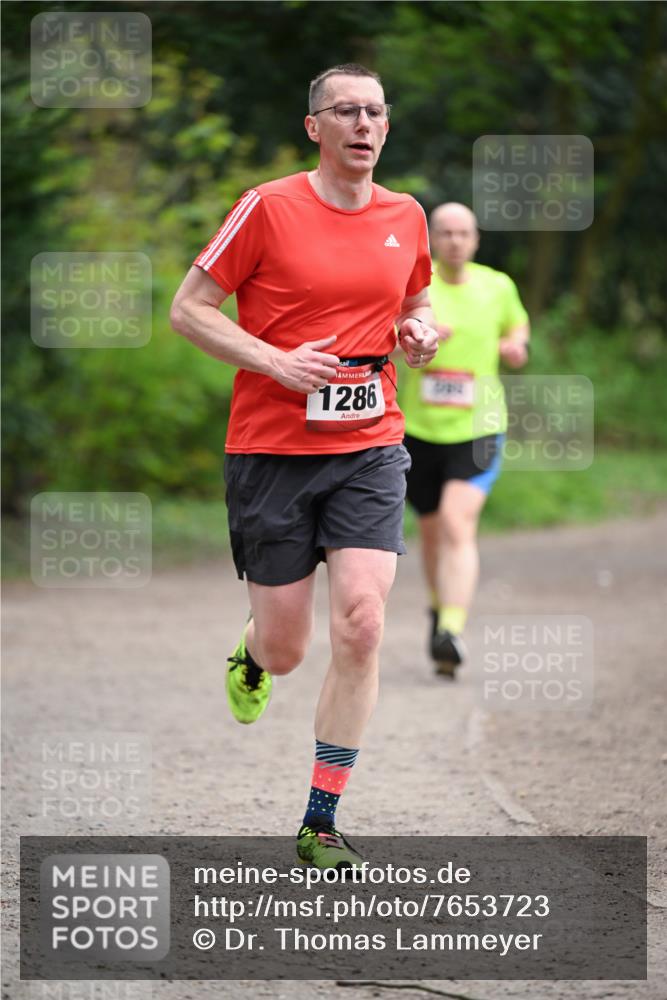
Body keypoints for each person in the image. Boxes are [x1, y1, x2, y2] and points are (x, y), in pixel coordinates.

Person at [170, 64, 438, 870]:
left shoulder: (406, 214)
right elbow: (189, 310)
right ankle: (253, 655)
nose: (363, 124)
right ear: (313, 126)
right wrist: (273, 362)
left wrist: (421, 333)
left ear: (387, 127)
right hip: (272, 450)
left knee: (361, 621)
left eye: (375, 112)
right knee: (288, 648)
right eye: (345, 111)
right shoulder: (268, 205)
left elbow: (415, 302)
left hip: (370, 441)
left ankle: (319, 821)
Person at [399, 203, 529, 677]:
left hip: (479, 429)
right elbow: (385, 335)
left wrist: (517, 346)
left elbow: (517, 325)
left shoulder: (497, 285)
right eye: (445, 233)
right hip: (418, 430)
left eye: (463, 233)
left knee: (457, 524)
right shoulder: (416, 283)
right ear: (432, 238)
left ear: (475, 240)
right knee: (433, 534)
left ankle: (452, 628)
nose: (455, 240)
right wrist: (414, 336)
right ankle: (440, 614)